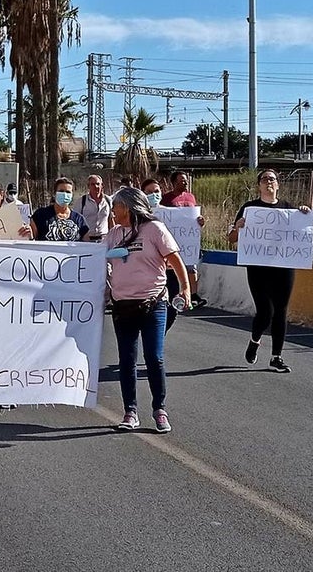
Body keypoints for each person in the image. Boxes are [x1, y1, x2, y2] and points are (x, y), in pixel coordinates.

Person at [106, 186, 190, 433]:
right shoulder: (112, 235)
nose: (113, 211)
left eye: (116, 206)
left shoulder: (154, 230)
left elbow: (176, 262)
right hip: (123, 307)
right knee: (127, 360)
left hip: (153, 304)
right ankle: (130, 411)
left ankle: (159, 409)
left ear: (130, 207)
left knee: (154, 357)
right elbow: (94, 260)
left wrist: (185, 289)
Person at [228, 169, 312, 373]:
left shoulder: (288, 209)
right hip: (258, 267)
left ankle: (277, 356)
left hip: (283, 267)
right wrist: (237, 227)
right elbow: (231, 238)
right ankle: (254, 340)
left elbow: (302, 232)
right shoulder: (250, 208)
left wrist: (304, 215)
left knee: (281, 311)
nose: (269, 182)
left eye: (272, 179)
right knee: (265, 311)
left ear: (278, 185)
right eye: (264, 179)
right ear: (259, 185)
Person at [162, 170, 207, 307]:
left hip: (188, 241)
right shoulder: (167, 199)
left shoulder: (191, 197)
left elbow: (194, 218)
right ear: (174, 183)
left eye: (186, 179)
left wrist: (200, 222)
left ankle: (193, 295)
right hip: (173, 239)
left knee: (192, 268)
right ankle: (173, 294)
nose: (185, 182)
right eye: (182, 180)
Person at [30, 176, 90, 241]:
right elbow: (32, 238)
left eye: (68, 192)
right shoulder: (40, 215)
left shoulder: (79, 219)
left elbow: (86, 243)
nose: (64, 194)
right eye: (61, 191)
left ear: (72, 195)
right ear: (54, 193)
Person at [78, 174, 111, 241]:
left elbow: (111, 220)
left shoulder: (108, 200)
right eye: (92, 184)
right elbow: (76, 221)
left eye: (98, 184)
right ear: (88, 186)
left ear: (102, 185)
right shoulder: (81, 201)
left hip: (104, 239)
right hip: (86, 240)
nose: (96, 186)